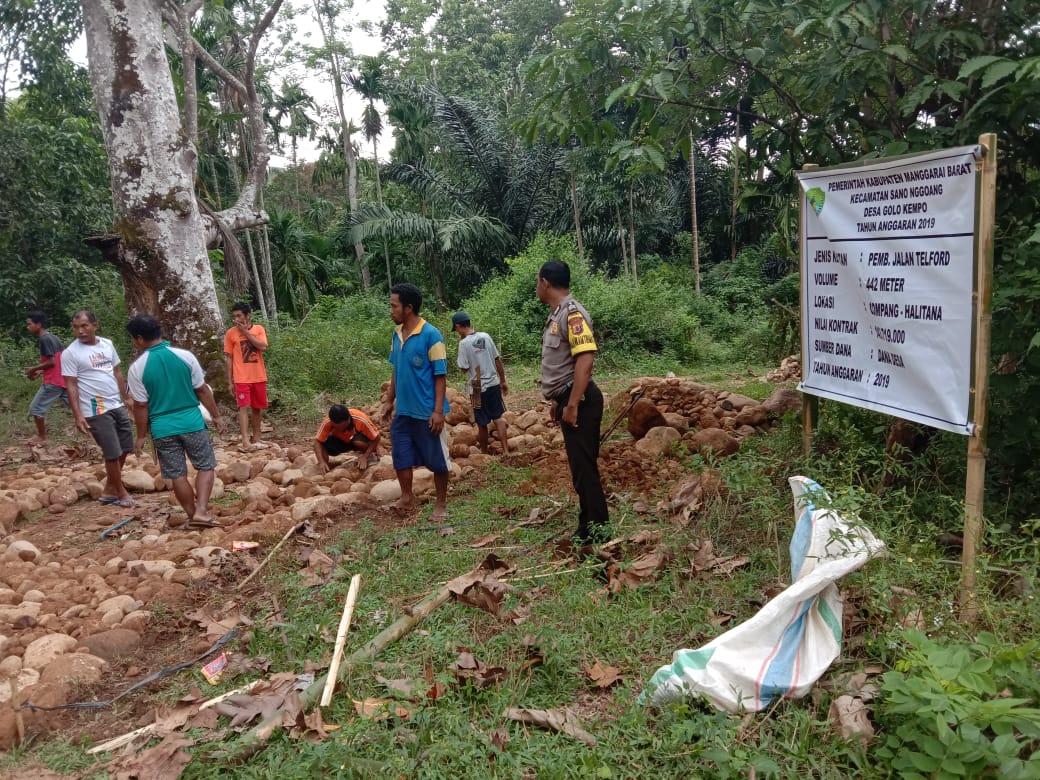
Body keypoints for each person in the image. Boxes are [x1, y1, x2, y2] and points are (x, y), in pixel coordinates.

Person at [126, 315, 226, 526]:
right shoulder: (185, 356)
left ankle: (192, 516)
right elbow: (201, 390)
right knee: (206, 466)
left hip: (162, 428)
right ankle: (202, 511)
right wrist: (216, 415)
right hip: (192, 422)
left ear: (139, 339)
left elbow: (141, 405)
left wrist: (141, 436)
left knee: (177, 474)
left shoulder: (137, 369)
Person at [537, 260, 608, 544]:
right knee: (580, 468)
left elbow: (585, 359)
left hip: (583, 401)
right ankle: (587, 524)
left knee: (584, 468)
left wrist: (573, 403)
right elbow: (567, 366)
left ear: (545, 282)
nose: (537, 288)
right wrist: (560, 400)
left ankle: (598, 530)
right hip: (571, 396)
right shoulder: (558, 315)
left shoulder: (573, 313)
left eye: (537, 283)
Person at [378, 283, 451, 519]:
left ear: (408, 308)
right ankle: (407, 498)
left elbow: (440, 376)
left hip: (427, 411)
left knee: (438, 461)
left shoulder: (432, 335)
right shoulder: (397, 334)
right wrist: (390, 399)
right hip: (404, 412)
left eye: (394, 305)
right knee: (401, 456)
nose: (391, 310)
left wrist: (438, 411)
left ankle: (440, 505)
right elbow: (396, 369)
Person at [61, 310, 136, 507]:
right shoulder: (71, 353)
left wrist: (126, 396)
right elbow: (71, 385)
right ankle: (120, 493)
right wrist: (78, 416)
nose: (80, 331)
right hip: (95, 407)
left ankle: (110, 488)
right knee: (111, 451)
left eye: (84, 326)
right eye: (76, 327)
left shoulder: (107, 344)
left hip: (115, 403)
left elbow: (117, 372)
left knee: (126, 446)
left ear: (95, 325)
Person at [451, 311, 510, 454]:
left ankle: (484, 453)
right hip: (493, 384)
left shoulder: (464, 344)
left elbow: (464, 368)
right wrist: (502, 380)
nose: (457, 332)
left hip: (477, 388)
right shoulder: (486, 336)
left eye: (456, 329)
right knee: (498, 418)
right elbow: (497, 360)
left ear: (459, 326)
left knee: (482, 422)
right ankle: (506, 451)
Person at [223, 302, 269, 450]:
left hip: (258, 376)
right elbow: (229, 357)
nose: (236, 319)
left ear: (248, 316)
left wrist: (246, 333)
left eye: (239, 316)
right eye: (234, 316)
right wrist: (229, 381)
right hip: (241, 377)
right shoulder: (230, 333)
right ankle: (245, 440)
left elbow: (262, 346)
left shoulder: (258, 329)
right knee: (243, 407)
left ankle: (257, 437)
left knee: (257, 408)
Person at [24, 310, 69, 445]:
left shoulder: (44, 339)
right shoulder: (53, 337)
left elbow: (52, 362)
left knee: (36, 408)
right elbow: (59, 360)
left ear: (38, 324)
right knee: (78, 407)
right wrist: (41, 371)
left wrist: (34, 369)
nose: (28, 327)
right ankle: (94, 431)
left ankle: (42, 437)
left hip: (53, 382)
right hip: (63, 380)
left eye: (30, 324)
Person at [313, 404, 382, 474]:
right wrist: (321, 461)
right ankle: (326, 466)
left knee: (359, 442)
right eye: (337, 427)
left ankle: (370, 454)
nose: (341, 429)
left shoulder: (360, 419)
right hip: (341, 442)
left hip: (356, 439)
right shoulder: (328, 421)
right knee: (322, 444)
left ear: (348, 419)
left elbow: (377, 437)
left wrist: (365, 456)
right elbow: (317, 441)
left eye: (343, 426)